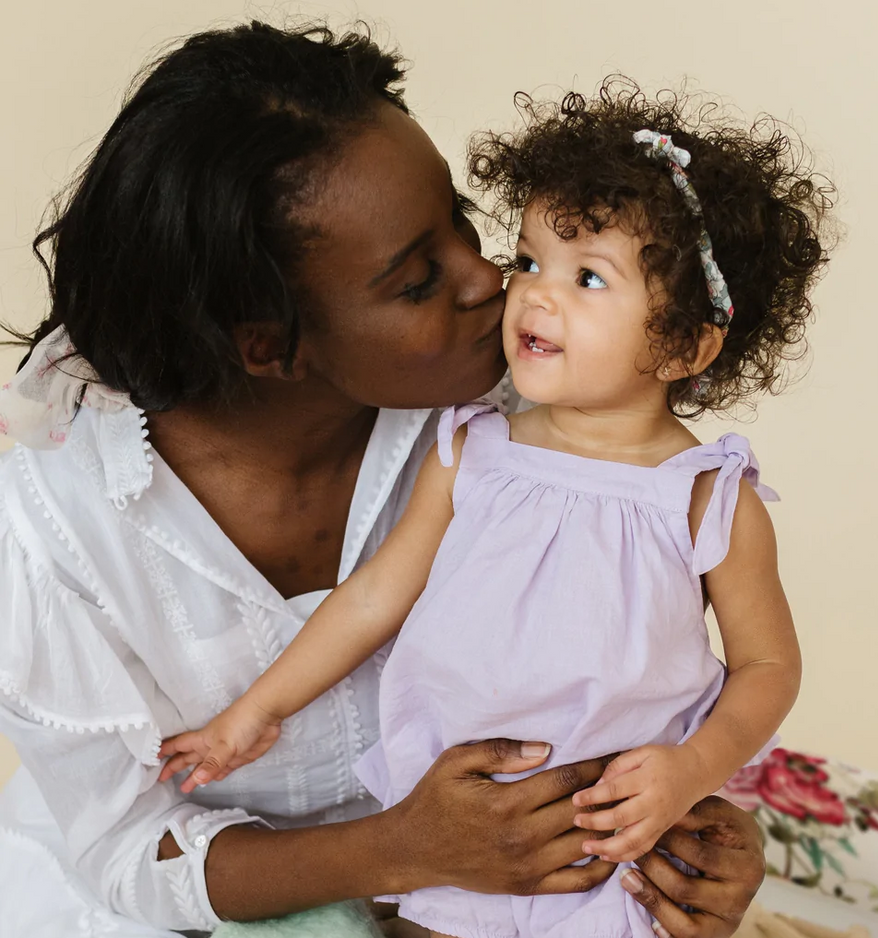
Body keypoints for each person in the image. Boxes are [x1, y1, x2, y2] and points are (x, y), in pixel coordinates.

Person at [0, 22, 769, 938]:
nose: (494, 282)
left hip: (512, 889)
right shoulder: (48, 525)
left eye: (468, 227)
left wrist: (705, 827)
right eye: (416, 281)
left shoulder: (530, 409)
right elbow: (128, 850)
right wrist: (406, 847)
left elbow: (655, 655)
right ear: (267, 345)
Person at [157, 84, 830, 938]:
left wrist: (690, 769)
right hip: (449, 831)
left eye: (588, 278)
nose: (535, 296)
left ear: (685, 344)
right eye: (529, 260)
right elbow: (372, 597)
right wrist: (253, 713)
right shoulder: (475, 447)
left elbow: (768, 667)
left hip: (610, 849)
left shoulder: (703, 495)